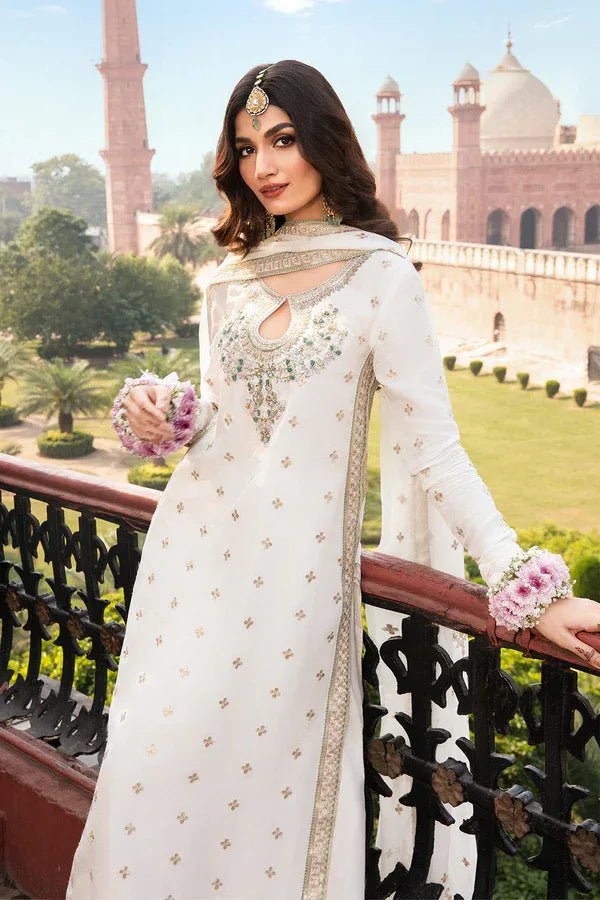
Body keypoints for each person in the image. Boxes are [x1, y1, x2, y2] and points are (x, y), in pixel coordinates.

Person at [66, 59, 600, 900]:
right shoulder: (228, 284)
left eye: (282, 140)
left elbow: (434, 448)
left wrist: (524, 583)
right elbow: (222, 422)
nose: (264, 166)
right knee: (155, 781)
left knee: (265, 813)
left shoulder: (382, 278)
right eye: (245, 148)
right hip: (189, 572)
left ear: (325, 142)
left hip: (295, 597)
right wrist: (167, 417)